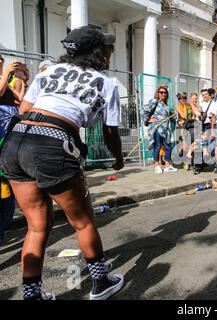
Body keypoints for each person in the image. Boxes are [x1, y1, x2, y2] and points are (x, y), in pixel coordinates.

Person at [0, 26, 124, 300]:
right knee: (82, 221)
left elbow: (23, 111)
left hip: (15, 142)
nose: (109, 53)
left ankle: (32, 295)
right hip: (53, 143)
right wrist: (118, 158)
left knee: (36, 226)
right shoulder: (107, 83)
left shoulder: (50, 72)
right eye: (107, 49)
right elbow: (110, 132)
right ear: (99, 54)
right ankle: (101, 283)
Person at [0, 55, 26, 244]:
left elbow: (20, 100)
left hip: (8, 144)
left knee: (7, 199)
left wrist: (24, 78)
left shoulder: (6, 84)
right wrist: (6, 74)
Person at [144, 85, 177, 174]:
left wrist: (174, 115)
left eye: (165, 92)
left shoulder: (166, 105)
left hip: (166, 129)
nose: (163, 94)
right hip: (157, 128)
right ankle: (157, 166)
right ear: (157, 93)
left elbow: (171, 115)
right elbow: (145, 110)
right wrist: (147, 120)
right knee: (157, 146)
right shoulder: (154, 101)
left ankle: (167, 166)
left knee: (168, 146)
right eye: (161, 92)